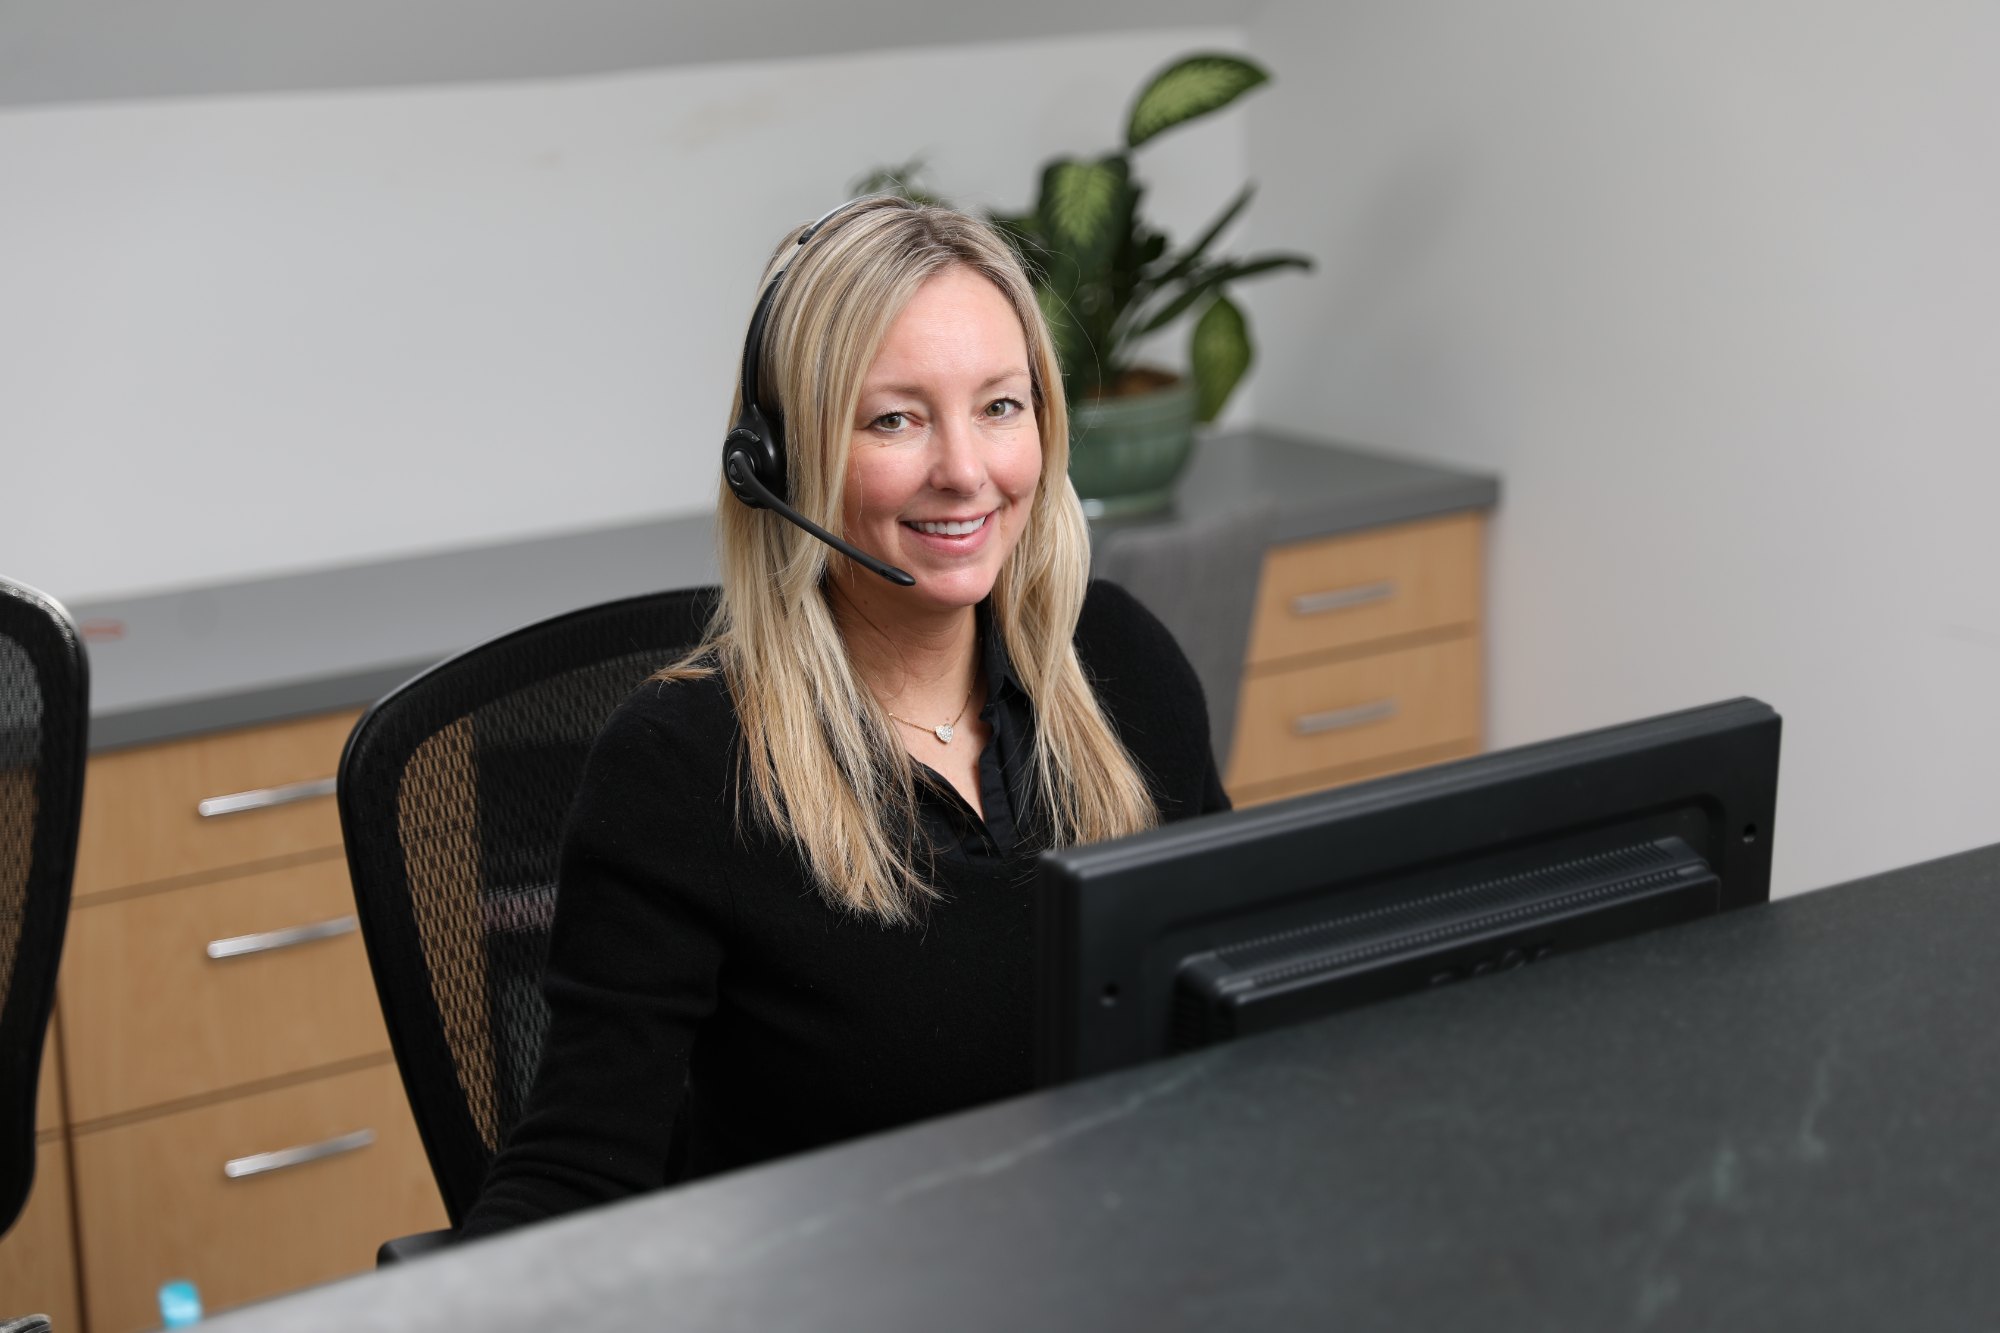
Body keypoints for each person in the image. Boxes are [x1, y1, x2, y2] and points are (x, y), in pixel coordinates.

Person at [457, 196, 1228, 1239]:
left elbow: (1238, 1006)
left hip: (1125, 1258)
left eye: (999, 406)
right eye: (894, 419)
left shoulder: (1119, 666)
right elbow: (576, 1169)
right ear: (775, 463)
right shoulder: (684, 767)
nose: (965, 470)